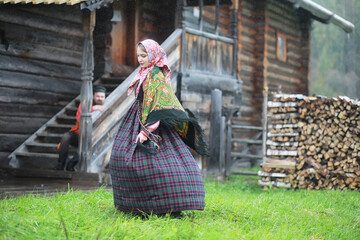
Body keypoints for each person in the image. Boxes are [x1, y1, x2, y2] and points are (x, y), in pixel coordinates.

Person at [109, 39, 209, 215]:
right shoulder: (144, 72)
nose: (140, 59)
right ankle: (138, 205)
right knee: (121, 156)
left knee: (160, 165)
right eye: (138, 55)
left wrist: (146, 132)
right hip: (137, 117)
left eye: (144, 55)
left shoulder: (155, 75)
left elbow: (158, 106)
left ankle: (165, 206)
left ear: (153, 55)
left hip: (152, 123)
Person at [53, 86, 106, 171]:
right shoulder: (85, 104)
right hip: (79, 133)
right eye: (98, 96)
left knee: (87, 142)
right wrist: (92, 109)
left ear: (104, 97)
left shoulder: (108, 105)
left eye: (102, 97)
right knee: (66, 137)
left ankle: (72, 163)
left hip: (95, 137)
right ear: (93, 96)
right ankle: (60, 163)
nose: (100, 98)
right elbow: (79, 118)